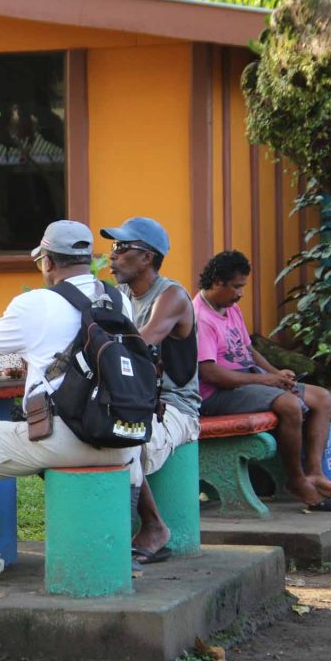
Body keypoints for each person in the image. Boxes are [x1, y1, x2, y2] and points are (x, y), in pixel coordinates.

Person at [0, 220, 140, 590]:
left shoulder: (35, 303)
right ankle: (116, 554)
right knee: (130, 460)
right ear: (87, 260)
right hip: (121, 443)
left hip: (65, 439)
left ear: (47, 262)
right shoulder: (119, 301)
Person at [193, 250, 331, 507]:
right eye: (236, 287)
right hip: (218, 394)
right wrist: (267, 382)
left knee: (322, 397)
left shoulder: (231, 308)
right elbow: (210, 373)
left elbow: (248, 350)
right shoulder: (200, 316)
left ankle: (315, 473)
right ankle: (296, 480)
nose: (240, 293)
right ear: (217, 281)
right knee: (290, 405)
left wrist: (275, 373)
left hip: (249, 380)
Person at [100, 217, 201, 564]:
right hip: (135, 402)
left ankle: (154, 526)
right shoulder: (119, 297)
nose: (112, 256)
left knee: (128, 442)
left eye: (121, 248)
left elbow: (142, 341)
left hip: (175, 407)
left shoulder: (170, 296)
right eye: (113, 248)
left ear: (147, 257)